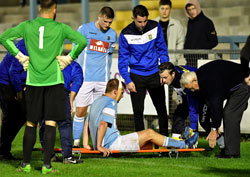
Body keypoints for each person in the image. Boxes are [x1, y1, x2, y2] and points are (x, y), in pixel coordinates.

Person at [0, 0, 87, 174]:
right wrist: (69, 58)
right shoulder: (60, 28)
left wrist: (20, 57)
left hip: (33, 82)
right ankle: (47, 166)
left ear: (39, 9)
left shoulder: (27, 26)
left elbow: (4, 37)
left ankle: (26, 164)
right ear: (54, 10)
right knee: (50, 122)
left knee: (31, 123)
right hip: (54, 81)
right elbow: (82, 41)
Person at [84, 79, 198, 156]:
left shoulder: (96, 102)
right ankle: (185, 144)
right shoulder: (111, 103)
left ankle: (180, 142)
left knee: (152, 142)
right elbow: (103, 124)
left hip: (108, 142)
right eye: (122, 92)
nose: (122, 96)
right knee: (149, 133)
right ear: (115, 91)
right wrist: (99, 146)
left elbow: (87, 124)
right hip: (112, 144)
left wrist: (86, 144)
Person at [180, 60, 250, 158]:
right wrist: (209, 124)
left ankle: (232, 153)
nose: (192, 91)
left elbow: (216, 103)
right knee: (204, 120)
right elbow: (206, 105)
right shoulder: (200, 81)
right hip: (228, 87)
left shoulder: (209, 81)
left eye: (192, 88)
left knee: (229, 114)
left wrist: (214, 128)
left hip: (243, 82)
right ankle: (225, 147)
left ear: (195, 81)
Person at [118, 5, 169, 136]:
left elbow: (162, 51)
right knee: (138, 113)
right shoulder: (125, 33)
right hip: (136, 76)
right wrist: (128, 80)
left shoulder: (155, 27)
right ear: (133, 18)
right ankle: (141, 145)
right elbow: (122, 61)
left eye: (145, 21)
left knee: (162, 111)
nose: (142, 24)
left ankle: (164, 143)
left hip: (155, 75)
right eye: (139, 21)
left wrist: (164, 73)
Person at [73, 6, 117, 148]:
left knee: (98, 114)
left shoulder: (112, 35)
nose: (107, 25)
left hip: (102, 80)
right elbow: (75, 50)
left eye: (110, 22)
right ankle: (76, 142)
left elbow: (109, 55)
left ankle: (99, 143)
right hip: (85, 79)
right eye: (105, 21)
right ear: (99, 16)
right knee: (81, 111)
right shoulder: (84, 29)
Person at [0, 39, 27, 160]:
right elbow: (14, 70)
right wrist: (19, 90)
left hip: (11, 81)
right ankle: (3, 150)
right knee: (10, 116)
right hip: (5, 82)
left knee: (21, 115)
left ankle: (4, 148)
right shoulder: (26, 45)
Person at [158, 62, 198, 137]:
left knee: (205, 121)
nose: (162, 81)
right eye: (161, 77)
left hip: (204, 95)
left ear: (173, 74)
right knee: (178, 115)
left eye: (165, 78)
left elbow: (192, 105)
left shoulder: (184, 80)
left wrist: (193, 129)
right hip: (190, 96)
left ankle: (223, 146)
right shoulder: (171, 72)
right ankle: (175, 143)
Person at [184, 0, 218, 67]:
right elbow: (188, 39)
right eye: (189, 10)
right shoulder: (190, 22)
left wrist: (201, 50)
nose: (191, 12)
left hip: (202, 59)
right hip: (190, 60)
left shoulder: (207, 22)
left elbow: (214, 41)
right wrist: (185, 53)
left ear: (198, 8)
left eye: (193, 8)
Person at [154, 0, 185, 65]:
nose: (164, 11)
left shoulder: (177, 24)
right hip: (155, 61)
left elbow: (181, 42)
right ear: (159, 9)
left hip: (171, 61)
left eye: (167, 9)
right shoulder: (152, 24)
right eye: (162, 8)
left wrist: (175, 57)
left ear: (170, 9)